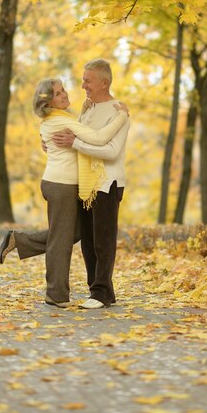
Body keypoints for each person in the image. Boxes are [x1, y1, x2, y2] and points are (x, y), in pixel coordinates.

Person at [0, 76, 128, 309]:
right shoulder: (58, 121)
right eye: (58, 93)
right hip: (61, 186)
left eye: (63, 90)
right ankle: (56, 294)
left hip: (62, 185)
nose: (65, 94)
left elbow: (75, 131)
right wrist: (122, 116)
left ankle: (19, 240)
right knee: (61, 240)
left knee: (72, 233)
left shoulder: (57, 118)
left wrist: (83, 111)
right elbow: (98, 138)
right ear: (48, 104)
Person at [52, 59, 130, 309]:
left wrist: (74, 143)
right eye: (83, 79)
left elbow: (112, 151)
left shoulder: (119, 111)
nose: (83, 85)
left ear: (104, 82)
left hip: (108, 182)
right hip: (86, 184)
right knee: (87, 240)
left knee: (102, 240)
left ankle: (101, 293)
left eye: (88, 80)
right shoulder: (88, 109)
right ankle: (100, 290)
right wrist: (53, 143)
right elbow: (75, 137)